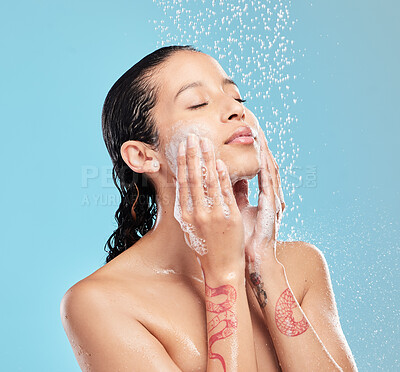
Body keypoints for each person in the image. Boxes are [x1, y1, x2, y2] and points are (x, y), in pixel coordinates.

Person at [60, 45, 358, 371]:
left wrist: (264, 267)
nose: (236, 110)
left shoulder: (301, 266)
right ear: (143, 156)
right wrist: (223, 273)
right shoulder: (101, 303)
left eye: (238, 98)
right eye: (198, 103)